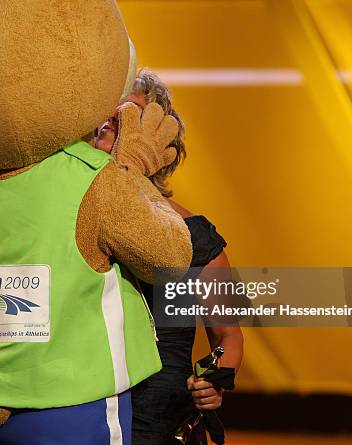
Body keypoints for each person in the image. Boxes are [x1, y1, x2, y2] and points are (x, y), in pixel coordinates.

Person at [93, 68, 244, 445]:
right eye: (109, 114)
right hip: (82, 403)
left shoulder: (194, 233)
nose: (114, 120)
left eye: (130, 113)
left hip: (157, 418)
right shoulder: (67, 213)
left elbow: (227, 333)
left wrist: (214, 380)